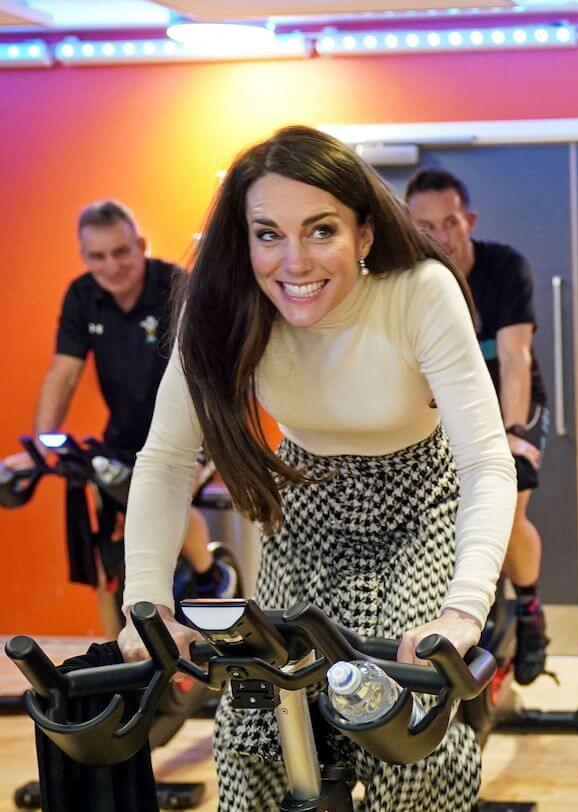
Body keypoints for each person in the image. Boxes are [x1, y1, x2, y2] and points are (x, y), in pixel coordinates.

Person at [116, 126, 517, 811]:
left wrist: (462, 610)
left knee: (401, 725)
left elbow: (484, 458)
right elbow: (165, 459)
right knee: (256, 730)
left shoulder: (418, 292)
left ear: (364, 234)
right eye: (268, 233)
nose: (293, 262)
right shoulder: (223, 307)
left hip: (422, 501)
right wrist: (146, 605)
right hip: (305, 506)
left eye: (321, 230)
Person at [2, 200, 229, 637]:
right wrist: (40, 447)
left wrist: (206, 448)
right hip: (123, 435)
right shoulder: (82, 296)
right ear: (85, 257)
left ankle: (210, 574)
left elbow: (205, 372)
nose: (112, 265)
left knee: (165, 497)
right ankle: (113, 649)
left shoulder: (176, 286)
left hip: (186, 430)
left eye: (121, 252)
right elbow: (63, 373)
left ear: (140, 245)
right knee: (108, 547)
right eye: (98, 256)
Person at [405, 168, 552, 684]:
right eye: (425, 227)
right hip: (447, 409)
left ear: (468, 220)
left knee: (505, 512)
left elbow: (516, 357)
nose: (440, 237)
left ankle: (531, 613)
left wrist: (511, 434)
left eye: (449, 223)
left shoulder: (504, 268)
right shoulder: (409, 279)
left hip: (512, 404)